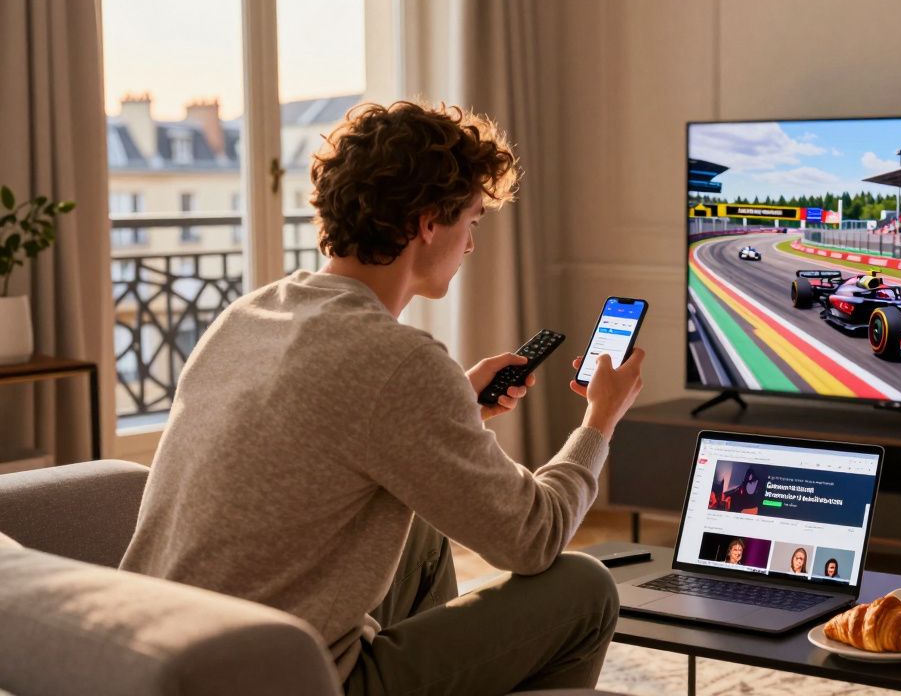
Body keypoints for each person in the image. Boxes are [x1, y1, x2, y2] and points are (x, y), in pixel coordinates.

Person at [119, 100, 646, 696]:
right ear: (427, 223)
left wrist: (456, 407)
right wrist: (600, 420)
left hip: (167, 656)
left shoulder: (252, 313)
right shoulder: (398, 362)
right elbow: (533, 539)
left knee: (417, 526)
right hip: (294, 679)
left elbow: (320, 436)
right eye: (471, 222)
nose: (471, 245)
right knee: (585, 588)